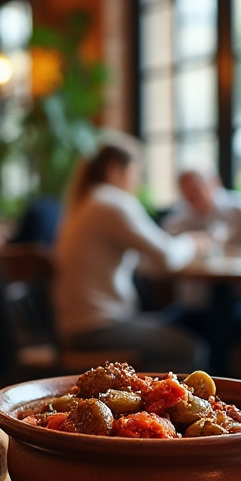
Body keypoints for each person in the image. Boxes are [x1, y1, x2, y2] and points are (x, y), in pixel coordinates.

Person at [53, 140, 206, 373]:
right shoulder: (112, 202)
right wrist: (194, 242)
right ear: (116, 170)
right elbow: (167, 255)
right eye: (135, 173)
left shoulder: (86, 202)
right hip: (98, 328)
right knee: (192, 347)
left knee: (173, 325)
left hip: (75, 326)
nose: (138, 182)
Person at [161, 168, 241, 352]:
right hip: (195, 304)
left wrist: (224, 253)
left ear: (214, 183)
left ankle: (222, 375)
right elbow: (163, 256)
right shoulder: (177, 219)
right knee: (170, 326)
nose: (191, 198)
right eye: (186, 193)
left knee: (230, 320)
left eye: (196, 190)